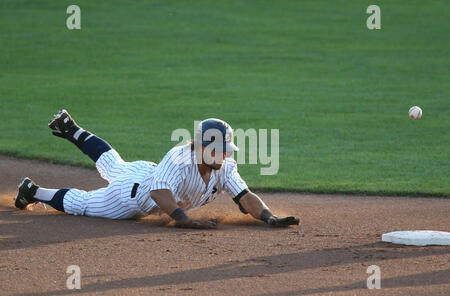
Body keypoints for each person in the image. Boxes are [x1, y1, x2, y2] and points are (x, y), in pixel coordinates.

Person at [14, 109, 299, 229]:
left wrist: (269, 217)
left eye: (226, 150)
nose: (224, 155)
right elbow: (159, 192)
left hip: (145, 170)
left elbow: (245, 196)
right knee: (84, 203)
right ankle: (33, 191)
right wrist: (183, 219)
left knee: (114, 164)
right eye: (219, 150)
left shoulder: (225, 166)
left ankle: (72, 130)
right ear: (201, 147)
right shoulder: (179, 157)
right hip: (129, 198)